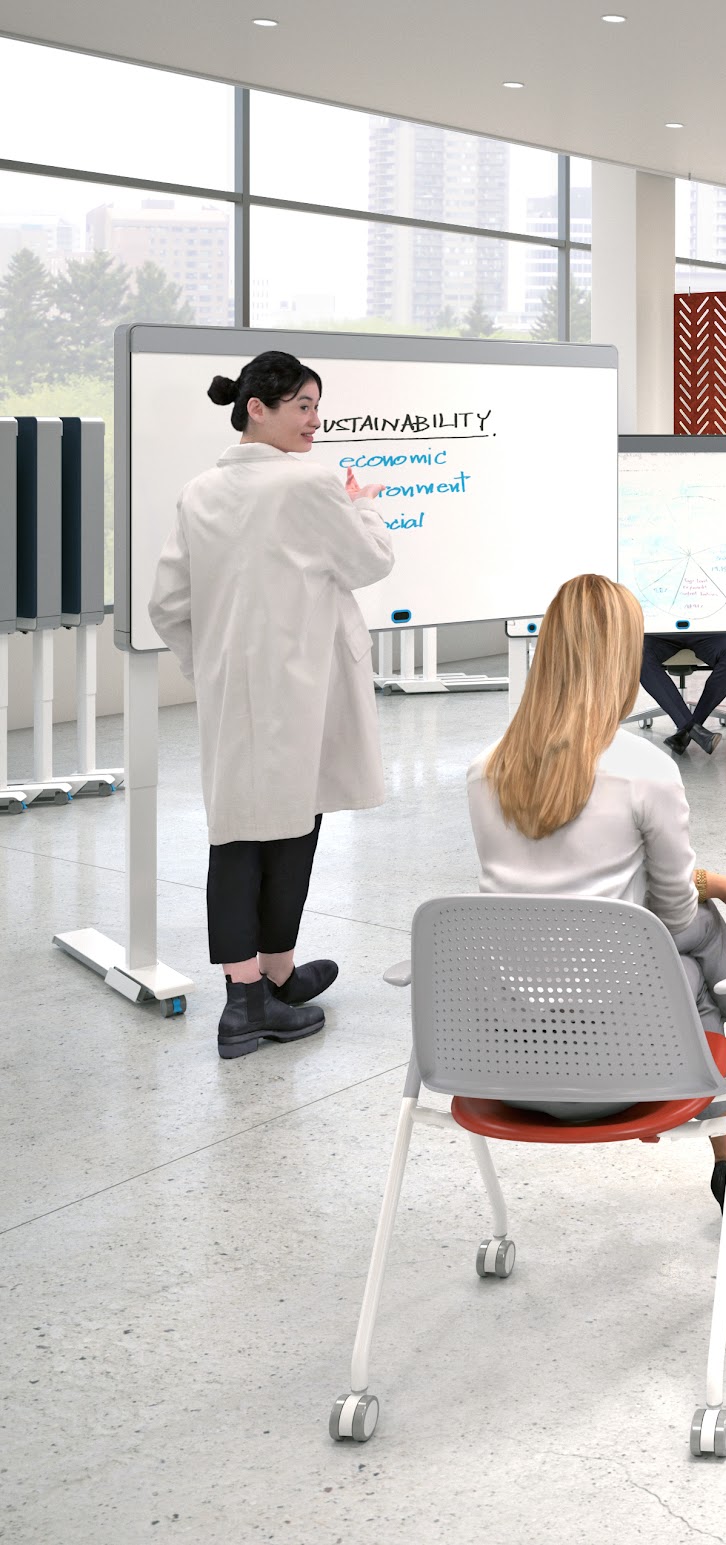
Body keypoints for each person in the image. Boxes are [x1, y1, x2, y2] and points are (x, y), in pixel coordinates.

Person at [468, 574, 726, 1212]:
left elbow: (561, 890)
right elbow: (675, 912)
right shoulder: (643, 769)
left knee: (682, 961)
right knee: (692, 949)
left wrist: (716, 885)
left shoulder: (485, 769)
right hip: (626, 1070)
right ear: (624, 657)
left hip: (504, 1067)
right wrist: (716, 888)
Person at [151, 351, 393, 1060]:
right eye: (303, 406)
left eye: (317, 407)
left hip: (236, 691)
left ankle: (270, 978)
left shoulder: (200, 491)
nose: (315, 421)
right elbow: (370, 561)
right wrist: (364, 504)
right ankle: (250, 1002)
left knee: (240, 833)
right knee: (291, 827)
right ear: (256, 407)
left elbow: (167, 604)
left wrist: (212, 667)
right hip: (302, 686)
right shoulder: (310, 483)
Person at [639, 631, 726, 755]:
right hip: (659, 634)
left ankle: (686, 731)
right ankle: (694, 730)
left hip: (707, 632)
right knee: (637, 653)